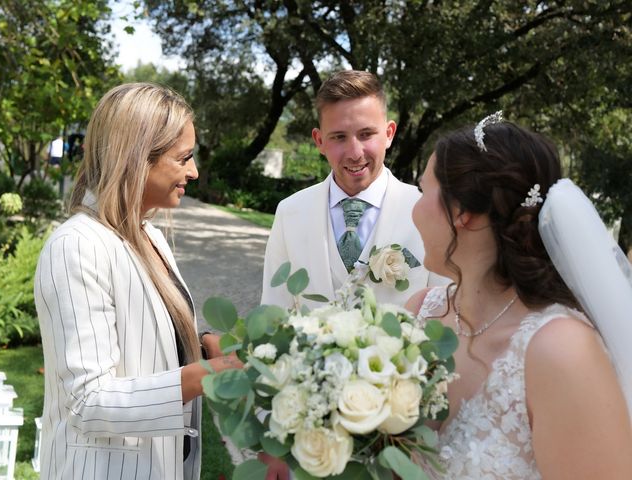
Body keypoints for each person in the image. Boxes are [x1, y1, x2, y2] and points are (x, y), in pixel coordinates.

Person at [34, 83, 242, 480]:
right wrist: (216, 372)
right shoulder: (77, 247)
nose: (194, 172)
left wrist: (201, 347)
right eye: (184, 158)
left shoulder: (149, 235)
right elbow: (89, 401)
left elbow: (143, 338)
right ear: (137, 159)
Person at [406, 113, 632, 479]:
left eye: (422, 190)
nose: (413, 208)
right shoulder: (418, 314)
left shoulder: (561, 351)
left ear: (464, 213)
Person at [262, 70, 435, 310]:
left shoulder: (430, 211)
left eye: (366, 134)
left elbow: (446, 320)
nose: (355, 153)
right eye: (339, 137)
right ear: (319, 140)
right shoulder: (289, 212)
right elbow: (273, 313)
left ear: (389, 134)